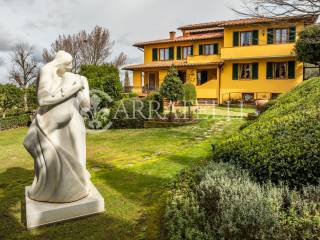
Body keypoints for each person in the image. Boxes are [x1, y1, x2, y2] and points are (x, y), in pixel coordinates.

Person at [23, 51, 91, 203]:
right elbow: (43, 99)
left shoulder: (76, 78)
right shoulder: (48, 70)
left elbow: (86, 106)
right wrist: (75, 89)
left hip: (70, 119)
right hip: (51, 122)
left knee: (77, 159)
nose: (70, 68)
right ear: (62, 63)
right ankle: (64, 189)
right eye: (68, 64)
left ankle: (77, 186)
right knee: (56, 157)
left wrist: (81, 91)